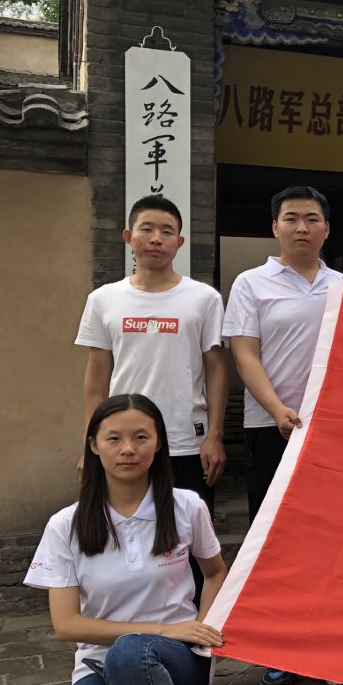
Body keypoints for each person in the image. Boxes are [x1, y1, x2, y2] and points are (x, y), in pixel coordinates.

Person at [24, 394, 227, 685]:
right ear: (94, 445)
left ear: (159, 443)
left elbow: (215, 573)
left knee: (133, 652)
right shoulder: (66, 525)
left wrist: (204, 631)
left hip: (177, 662)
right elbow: (66, 625)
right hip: (101, 664)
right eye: (114, 438)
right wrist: (160, 628)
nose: (128, 449)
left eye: (141, 437)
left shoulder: (187, 506)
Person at [224, 185, 343, 685]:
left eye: (311, 219)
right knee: (274, 541)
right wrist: (277, 409)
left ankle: (324, 647)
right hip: (270, 428)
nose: (301, 227)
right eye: (291, 218)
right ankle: (278, 653)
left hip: (331, 435)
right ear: (274, 227)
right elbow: (244, 353)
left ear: (326, 229)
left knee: (329, 541)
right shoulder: (251, 284)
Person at [76, 197, 228, 508]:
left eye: (167, 231)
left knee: (187, 529)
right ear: (128, 236)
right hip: (123, 442)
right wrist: (90, 442)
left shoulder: (205, 299)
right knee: (123, 528)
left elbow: (217, 370)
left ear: (179, 242)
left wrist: (214, 435)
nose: (156, 239)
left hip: (186, 439)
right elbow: (97, 377)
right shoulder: (103, 299)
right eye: (146, 229)